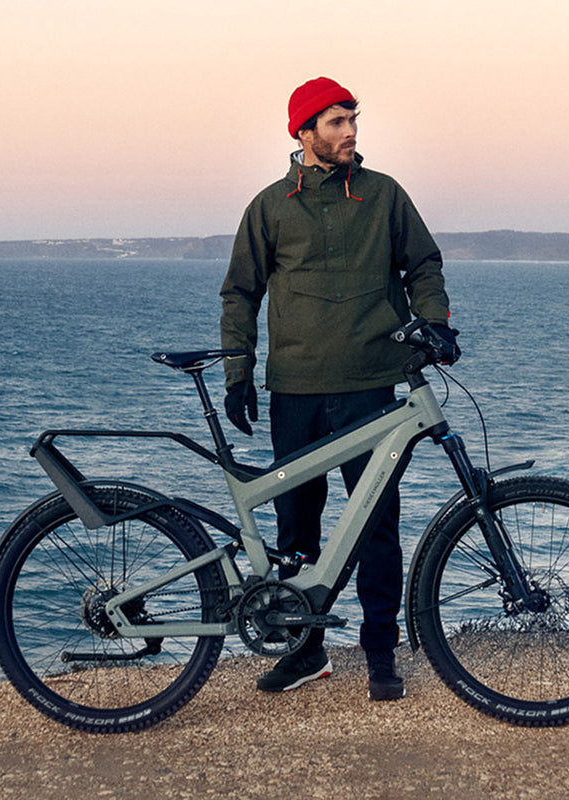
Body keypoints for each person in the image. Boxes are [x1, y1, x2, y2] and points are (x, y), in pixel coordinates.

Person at [218, 76, 460, 702]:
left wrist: (434, 323)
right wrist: (238, 374)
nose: (350, 131)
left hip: (371, 382)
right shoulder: (270, 206)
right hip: (294, 388)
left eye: (352, 119)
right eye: (335, 122)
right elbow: (241, 292)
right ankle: (305, 652)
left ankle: (380, 652)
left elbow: (423, 264)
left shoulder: (383, 195)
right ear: (303, 132)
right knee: (296, 527)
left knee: (376, 525)